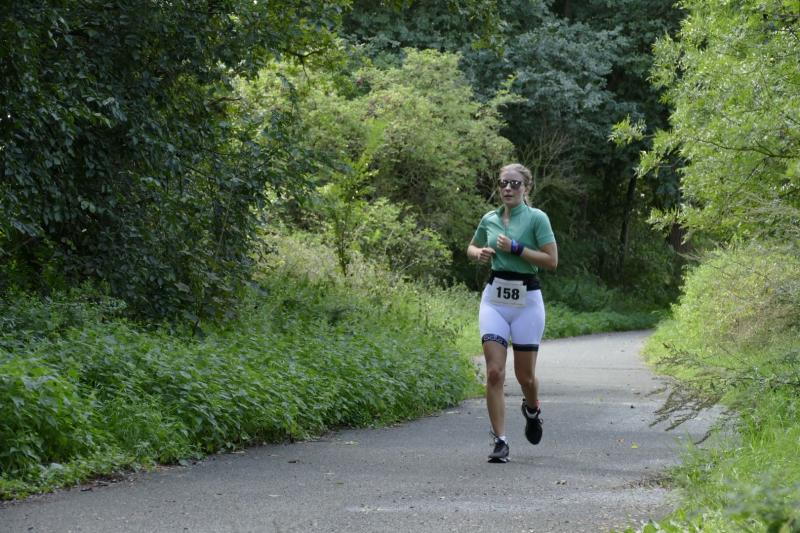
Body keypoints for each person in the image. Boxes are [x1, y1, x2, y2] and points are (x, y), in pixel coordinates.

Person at [467, 163, 558, 463]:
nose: (508, 188)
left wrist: (517, 248)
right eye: (503, 183)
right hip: (495, 298)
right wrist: (479, 253)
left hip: (527, 299)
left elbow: (551, 260)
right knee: (494, 372)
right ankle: (500, 441)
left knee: (525, 377)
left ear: (526, 187)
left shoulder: (537, 218)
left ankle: (532, 410)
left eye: (515, 183)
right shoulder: (489, 219)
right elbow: (471, 246)